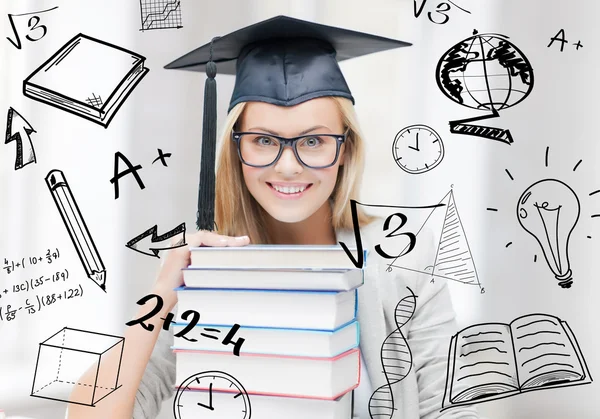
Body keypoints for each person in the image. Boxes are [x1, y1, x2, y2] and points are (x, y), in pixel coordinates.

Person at [68, 15, 479, 419]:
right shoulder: (206, 277)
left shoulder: (406, 264)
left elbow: (450, 408)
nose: (287, 167)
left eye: (314, 141)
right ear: (235, 151)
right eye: (264, 140)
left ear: (346, 151)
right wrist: (160, 298)